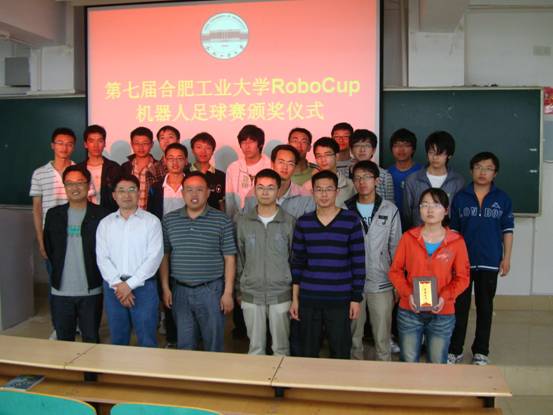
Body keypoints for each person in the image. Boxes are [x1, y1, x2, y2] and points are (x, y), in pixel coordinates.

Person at [448, 152, 514, 366]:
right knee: (459, 307)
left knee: (485, 308)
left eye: (488, 168)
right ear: (471, 170)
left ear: (495, 173)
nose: (482, 172)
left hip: (490, 261)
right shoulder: (460, 197)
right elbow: (453, 232)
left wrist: (506, 258)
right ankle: (455, 350)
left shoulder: (502, 199)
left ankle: (481, 351)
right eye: (478, 167)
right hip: (462, 263)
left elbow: (507, 231)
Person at [389, 188, 470, 364]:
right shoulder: (408, 238)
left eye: (436, 205)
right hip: (409, 311)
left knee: (437, 362)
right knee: (408, 361)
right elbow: (395, 271)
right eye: (424, 205)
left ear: (446, 210)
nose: (430, 210)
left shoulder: (456, 241)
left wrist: (445, 296)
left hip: (443, 312)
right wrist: (407, 294)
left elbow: (463, 277)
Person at [290, 170, 365, 359]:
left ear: (337, 192)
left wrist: (355, 298)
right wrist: (295, 299)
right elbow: (297, 264)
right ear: (312, 192)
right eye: (319, 189)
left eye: (329, 189)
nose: (324, 194)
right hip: (309, 298)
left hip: (340, 298)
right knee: (308, 352)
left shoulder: (351, 221)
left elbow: (358, 262)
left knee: (340, 352)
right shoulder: (303, 222)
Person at [160, 172, 237, 352]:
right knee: (185, 344)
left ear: (208, 192)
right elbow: (164, 256)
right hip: (180, 291)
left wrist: (228, 292)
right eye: (189, 190)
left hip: (211, 291)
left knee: (213, 345)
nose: (194, 194)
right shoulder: (169, 220)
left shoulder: (222, 220)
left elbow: (230, 258)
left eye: (200, 190)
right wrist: (165, 288)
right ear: (182, 193)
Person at [96, 174, 164, 347]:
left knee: (147, 339)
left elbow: (154, 257)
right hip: (114, 288)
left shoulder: (152, 222)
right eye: (121, 190)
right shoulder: (105, 224)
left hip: (144, 287)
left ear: (139, 193)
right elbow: (102, 258)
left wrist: (129, 285)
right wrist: (119, 285)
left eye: (132, 190)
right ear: (114, 195)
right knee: (118, 338)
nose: (127, 195)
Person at [345, 161, 401, 361]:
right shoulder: (345, 209)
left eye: (367, 177)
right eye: (357, 178)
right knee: (354, 337)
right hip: (353, 284)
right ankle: (355, 374)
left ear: (377, 181)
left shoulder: (390, 209)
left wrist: (397, 283)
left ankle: (383, 373)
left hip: (382, 281)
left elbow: (396, 248)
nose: (362, 182)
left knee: (382, 337)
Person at [236, 169, 295, 356]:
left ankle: (280, 378)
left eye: (270, 188)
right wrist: (239, 289)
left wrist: (294, 293)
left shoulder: (289, 222)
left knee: (281, 348)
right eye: (260, 187)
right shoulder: (243, 222)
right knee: (255, 348)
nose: (265, 192)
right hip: (251, 293)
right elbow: (239, 258)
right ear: (254, 190)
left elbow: (294, 259)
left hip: (281, 293)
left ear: (278, 190)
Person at [147, 142, 188, 348]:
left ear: (186, 161)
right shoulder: (156, 188)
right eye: (170, 158)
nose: (175, 162)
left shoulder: (193, 184)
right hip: (162, 245)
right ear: (164, 161)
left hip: (187, 246)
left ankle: (191, 335)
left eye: (179, 158)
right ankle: (172, 336)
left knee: (185, 290)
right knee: (167, 290)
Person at [30, 128, 79, 262]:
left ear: (74, 147)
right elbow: (37, 209)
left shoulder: (81, 172)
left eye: (69, 144)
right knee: (54, 271)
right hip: (50, 232)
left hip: (76, 231)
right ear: (52, 145)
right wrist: (40, 239)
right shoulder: (39, 173)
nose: (64, 148)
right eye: (60, 143)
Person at [403, 131, 464, 230]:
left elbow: (458, 211)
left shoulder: (457, 181)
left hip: (447, 234)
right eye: (431, 152)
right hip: (418, 234)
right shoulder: (413, 179)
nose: (435, 157)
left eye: (440, 153)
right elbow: (407, 214)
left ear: (449, 155)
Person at [242, 144, 315, 219]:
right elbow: (246, 223)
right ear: (272, 163)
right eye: (281, 162)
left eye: (290, 163)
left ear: (295, 167)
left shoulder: (306, 197)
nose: (285, 167)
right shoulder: (253, 195)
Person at [225, 124, 271, 219]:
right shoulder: (233, 168)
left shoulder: (271, 167)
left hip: (264, 219)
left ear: (261, 144)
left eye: (251, 142)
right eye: (243, 142)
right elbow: (230, 200)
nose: (247, 146)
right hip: (239, 221)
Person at [77, 124, 121, 212]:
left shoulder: (114, 168)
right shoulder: (78, 169)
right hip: (85, 214)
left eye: (100, 141)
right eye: (91, 141)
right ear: (85, 144)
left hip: (109, 214)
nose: (96, 145)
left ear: (104, 143)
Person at [303, 137, 355, 207]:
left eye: (327, 155)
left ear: (337, 156)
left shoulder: (350, 185)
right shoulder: (308, 186)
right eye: (319, 156)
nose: (323, 159)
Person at [121, 127, 165, 209]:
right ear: (131, 144)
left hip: (152, 214)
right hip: (129, 213)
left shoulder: (159, 168)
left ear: (151, 144)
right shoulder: (125, 167)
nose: (141, 148)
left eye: (145, 143)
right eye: (137, 143)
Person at [349, 129, 395, 203]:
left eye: (367, 145)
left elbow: (390, 205)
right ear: (351, 150)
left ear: (373, 150)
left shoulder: (385, 176)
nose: (362, 150)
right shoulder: (342, 175)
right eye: (357, 145)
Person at [387, 128, 423, 213]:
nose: (401, 149)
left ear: (413, 149)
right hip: (392, 218)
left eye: (406, 145)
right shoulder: (386, 173)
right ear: (391, 149)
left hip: (416, 218)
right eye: (396, 145)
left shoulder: (422, 171)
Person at [188, 132, 225, 211]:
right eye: (199, 147)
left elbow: (223, 203)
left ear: (212, 151)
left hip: (214, 218)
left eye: (208, 148)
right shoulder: (185, 174)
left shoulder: (221, 176)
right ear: (193, 150)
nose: (203, 151)